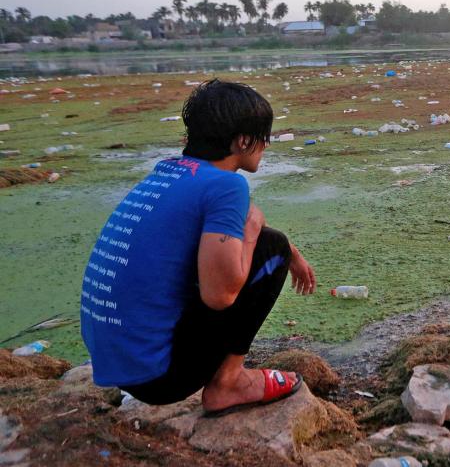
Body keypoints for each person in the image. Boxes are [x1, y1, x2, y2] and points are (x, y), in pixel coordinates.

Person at [80, 79, 316, 417]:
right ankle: (228, 383)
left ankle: (222, 375)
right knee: (271, 246)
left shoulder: (168, 174)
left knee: (268, 244)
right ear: (243, 140)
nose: (266, 145)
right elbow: (220, 297)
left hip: (117, 362)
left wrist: (290, 249)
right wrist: (263, 236)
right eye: (263, 137)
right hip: (160, 377)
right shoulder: (227, 185)